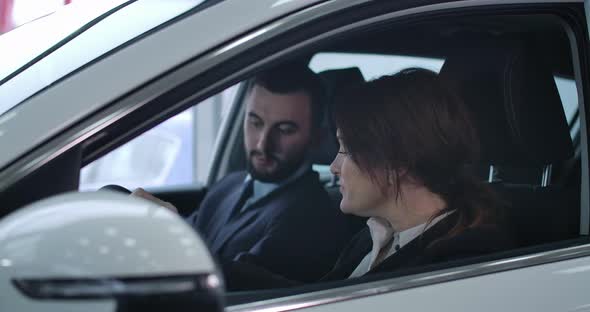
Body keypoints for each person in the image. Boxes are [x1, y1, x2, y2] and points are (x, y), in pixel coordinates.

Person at [223, 68, 513, 290]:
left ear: (397, 160)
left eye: (346, 150)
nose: (335, 166)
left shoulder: (455, 267)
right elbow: (318, 299)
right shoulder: (374, 236)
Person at [136, 62, 351, 283]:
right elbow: (193, 234)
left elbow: (243, 285)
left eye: (285, 130)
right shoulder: (230, 185)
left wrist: (171, 235)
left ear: (317, 137)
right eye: (255, 122)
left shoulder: (311, 218)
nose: (262, 144)